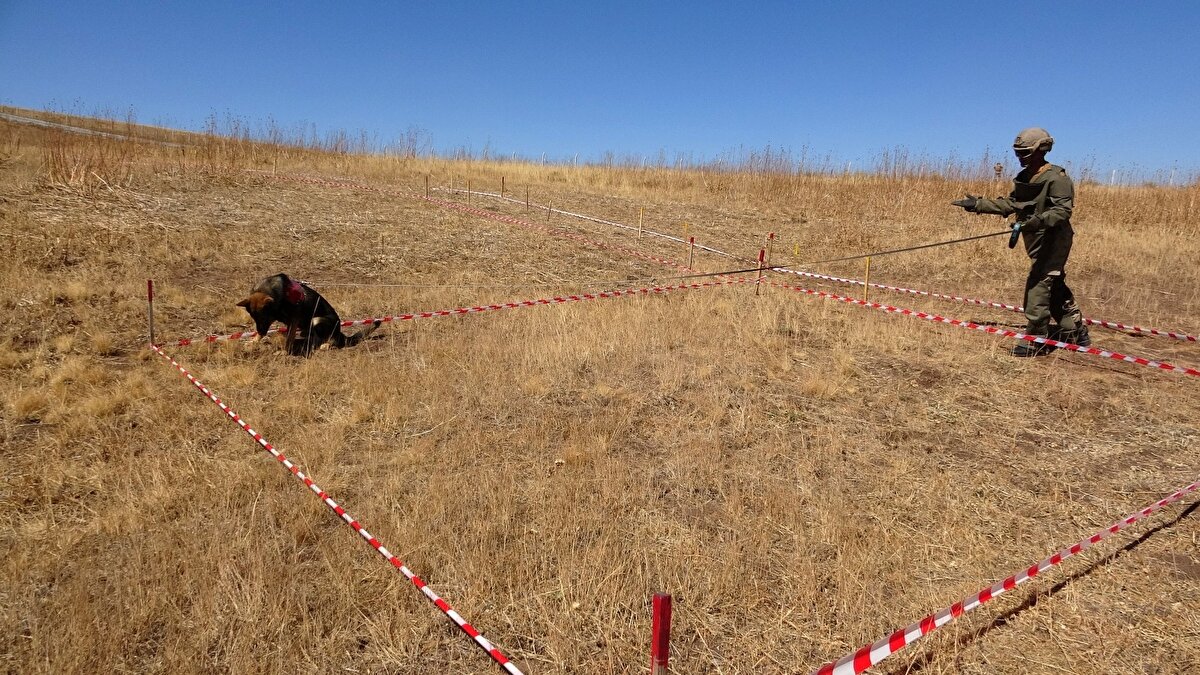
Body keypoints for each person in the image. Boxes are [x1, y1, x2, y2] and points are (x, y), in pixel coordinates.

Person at [951, 127, 1090, 356]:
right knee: (1053, 284)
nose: (1020, 157)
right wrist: (978, 205)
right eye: (1017, 152)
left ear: (1041, 150)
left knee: (1038, 285)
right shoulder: (1024, 177)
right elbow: (1011, 204)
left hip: (1054, 239)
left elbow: (1062, 212)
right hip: (1034, 239)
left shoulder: (1057, 178)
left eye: (1024, 152)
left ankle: (1036, 340)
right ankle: (1074, 331)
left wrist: (1036, 221)